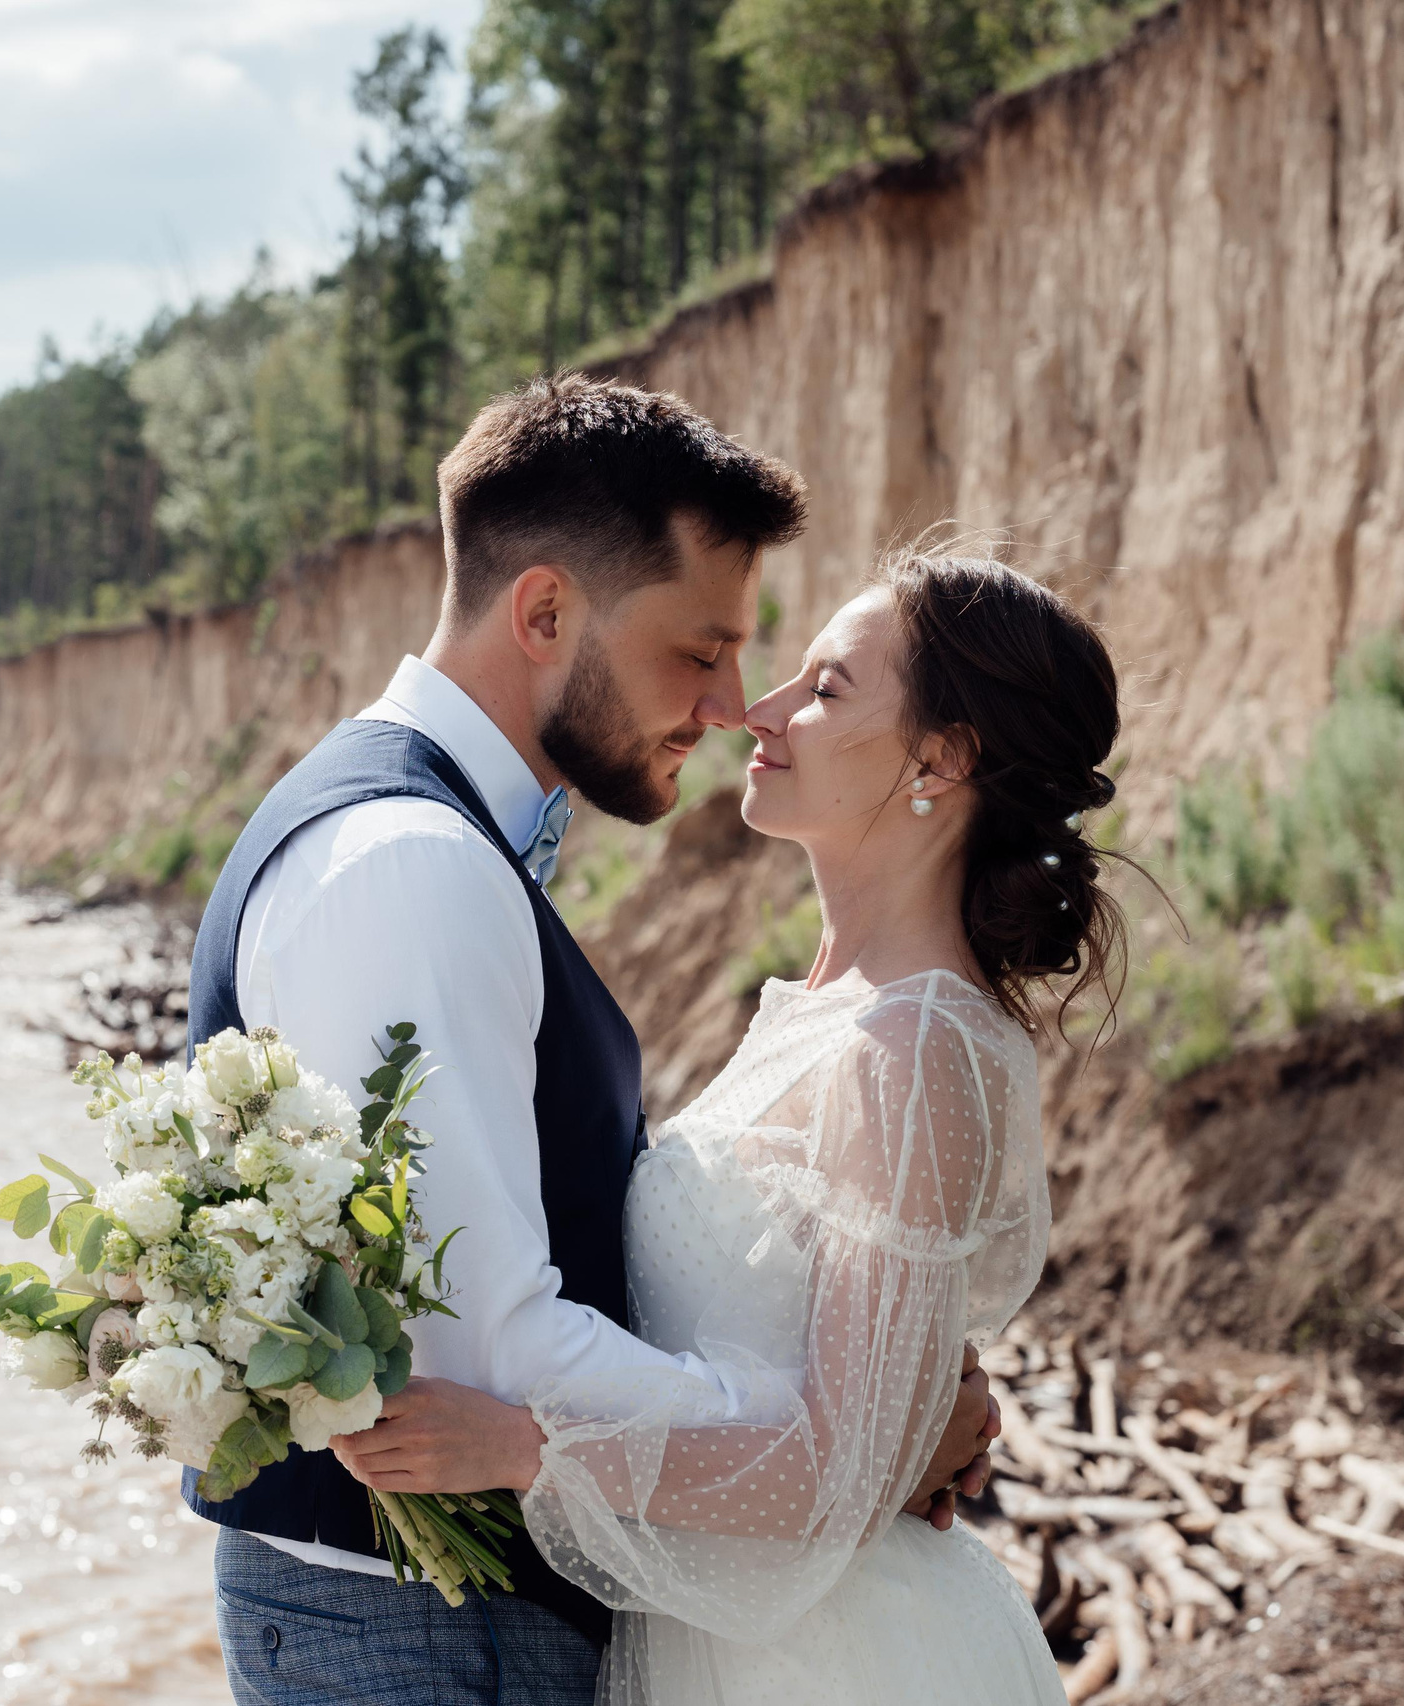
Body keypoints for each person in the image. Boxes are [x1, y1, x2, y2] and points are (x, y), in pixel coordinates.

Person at [181, 375, 1003, 1705]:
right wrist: (843, 1442)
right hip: (425, 1632)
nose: (733, 702)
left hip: (451, 1616)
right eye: (699, 649)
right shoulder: (413, 861)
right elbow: (492, 1349)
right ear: (547, 611)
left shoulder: (432, 839)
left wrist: (874, 1398)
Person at [334, 544, 1130, 1704]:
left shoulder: (914, 1049)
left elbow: (827, 1477)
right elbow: (842, 1409)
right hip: (740, 1643)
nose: (758, 710)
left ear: (941, 757)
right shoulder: (828, 1012)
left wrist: (519, 1446)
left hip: (839, 1660)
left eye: (824, 686)